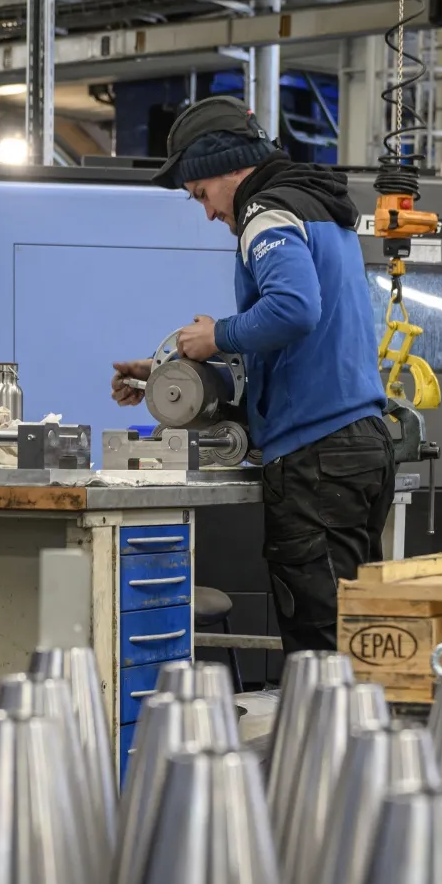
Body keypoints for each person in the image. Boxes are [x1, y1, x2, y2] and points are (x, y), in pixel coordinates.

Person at [111, 96, 395, 655]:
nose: (210, 212)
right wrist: (172, 372)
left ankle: (329, 742)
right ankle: (359, 739)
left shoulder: (266, 213)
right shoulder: (317, 208)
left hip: (317, 458)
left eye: (203, 195)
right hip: (357, 446)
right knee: (352, 633)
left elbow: (294, 310)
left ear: (230, 169)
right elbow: (301, 346)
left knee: (320, 639)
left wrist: (217, 335)